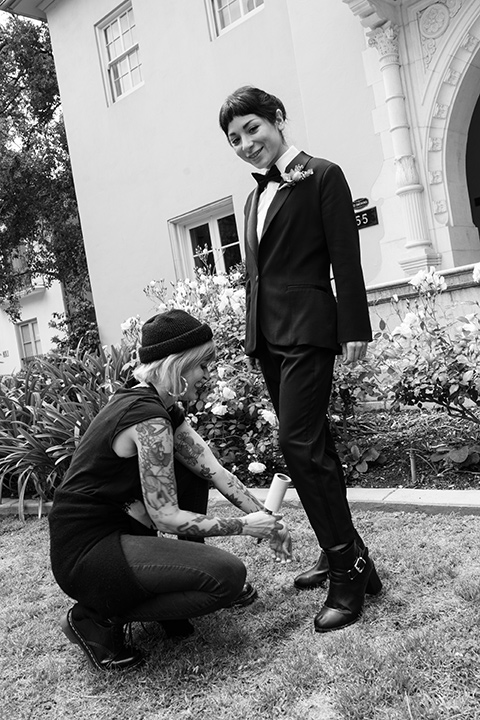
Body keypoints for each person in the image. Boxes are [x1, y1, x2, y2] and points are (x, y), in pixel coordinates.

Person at [219, 86, 382, 633]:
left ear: (278, 119)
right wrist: (251, 334)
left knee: (298, 445)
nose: (246, 143)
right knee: (315, 447)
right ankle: (352, 555)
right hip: (267, 338)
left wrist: (354, 324)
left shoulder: (323, 175)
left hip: (310, 330)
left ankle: (347, 570)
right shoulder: (251, 198)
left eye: (252, 129)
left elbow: (345, 256)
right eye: (235, 138)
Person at [49, 309, 292, 672]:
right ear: (178, 366)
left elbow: (213, 469)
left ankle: (166, 591)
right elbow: (165, 516)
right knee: (227, 578)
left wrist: (269, 520)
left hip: (120, 532)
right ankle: (96, 617)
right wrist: (245, 527)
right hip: (89, 552)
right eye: (202, 366)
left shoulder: (159, 405)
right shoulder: (146, 418)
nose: (207, 376)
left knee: (191, 471)